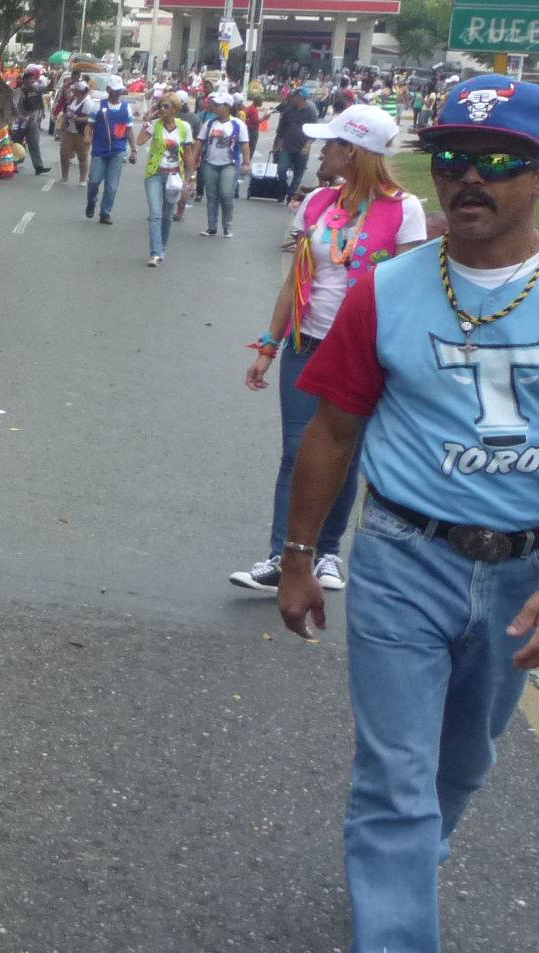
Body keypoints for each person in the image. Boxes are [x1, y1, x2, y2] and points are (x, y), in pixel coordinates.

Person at [276, 76, 539, 953]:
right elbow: (332, 430)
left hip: (516, 568)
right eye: (450, 156)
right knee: (391, 777)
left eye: (497, 158)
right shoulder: (387, 285)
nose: (466, 177)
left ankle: (399, 875)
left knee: (459, 766)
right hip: (400, 557)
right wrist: (301, 556)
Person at [236, 104, 427, 594]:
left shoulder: (404, 209)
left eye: (331, 143)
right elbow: (296, 280)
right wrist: (269, 345)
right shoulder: (318, 201)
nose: (321, 150)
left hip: (364, 353)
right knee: (297, 452)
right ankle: (282, 555)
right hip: (307, 342)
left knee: (345, 452)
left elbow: (407, 290)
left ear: (354, 151)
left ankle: (327, 554)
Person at [139, 91, 194, 267]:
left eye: (166, 106)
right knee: (155, 214)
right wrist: (148, 118)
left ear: (175, 109)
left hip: (174, 176)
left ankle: (161, 248)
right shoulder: (154, 125)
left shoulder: (184, 127)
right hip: (154, 174)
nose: (162, 109)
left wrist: (191, 178)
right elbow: (140, 142)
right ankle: (155, 252)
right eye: (160, 105)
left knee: (166, 215)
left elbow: (189, 155)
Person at [198, 92, 249, 237]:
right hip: (210, 163)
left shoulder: (238, 124)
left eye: (218, 105)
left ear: (227, 107)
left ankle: (227, 226)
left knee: (226, 194)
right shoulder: (209, 124)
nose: (215, 107)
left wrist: (246, 163)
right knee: (212, 196)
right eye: (214, 105)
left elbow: (245, 144)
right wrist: (193, 159)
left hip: (229, 164)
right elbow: (199, 141)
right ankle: (211, 226)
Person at [83, 73, 131, 224]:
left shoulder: (126, 108)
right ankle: (91, 202)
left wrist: (134, 150)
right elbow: (89, 126)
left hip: (117, 151)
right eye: (115, 90)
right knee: (94, 181)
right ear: (109, 89)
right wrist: (87, 136)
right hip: (99, 150)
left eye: (120, 90)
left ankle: (105, 213)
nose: (118, 93)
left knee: (111, 186)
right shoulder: (98, 105)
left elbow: (129, 130)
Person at [274, 85, 316, 203]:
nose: (292, 97)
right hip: (287, 145)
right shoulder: (290, 110)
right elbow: (282, 129)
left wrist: (308, 145)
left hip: (302, 147)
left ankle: (291, 195)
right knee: (281, 169)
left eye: (295, 96)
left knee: (298, 173)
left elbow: (314, 131)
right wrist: (278, 146)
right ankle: (284, 190)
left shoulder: (310, 112)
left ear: (301, 98)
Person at [54, 60, 94, 183]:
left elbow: (90, 119)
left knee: (82, 156)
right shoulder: (74, 101)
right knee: (64, 154)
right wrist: (64, 121)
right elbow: (67, 112)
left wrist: (77, 118)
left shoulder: (88, 102)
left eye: (76, 91)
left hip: (81, 132)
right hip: (70, 131)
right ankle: (64, 176)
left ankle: (82, 179)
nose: (74, 92)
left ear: (81, 92)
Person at [14, 63, 51, 175]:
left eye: (33, 79)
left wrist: (52, 80)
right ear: (24, 80)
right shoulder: (19, 91)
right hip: (21, 122)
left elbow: (46, 90)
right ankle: (12, 165)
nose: (32, 81)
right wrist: (19, 116)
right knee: (17, 145)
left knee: (34, 144)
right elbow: (14, 105)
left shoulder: (36, 89)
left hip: (33, 122)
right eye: (30, 79)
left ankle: (38, 166)